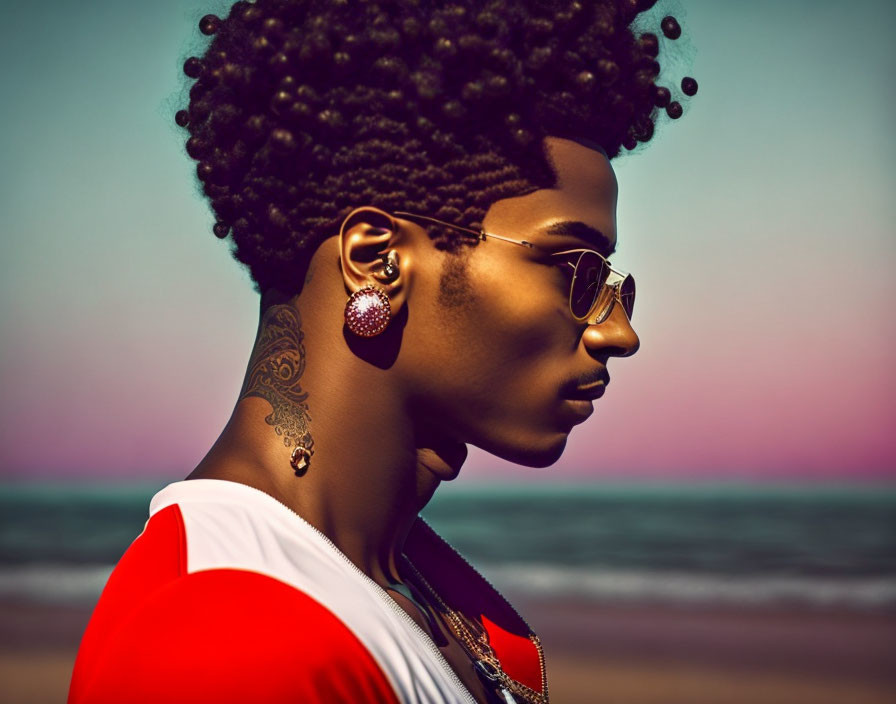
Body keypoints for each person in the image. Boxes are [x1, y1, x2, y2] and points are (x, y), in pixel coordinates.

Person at [68, 1, 695, 702]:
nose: (618, 332)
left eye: (612, 284)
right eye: (574, 268)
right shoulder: (227, 650)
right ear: (377, 261)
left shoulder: (403, 585)